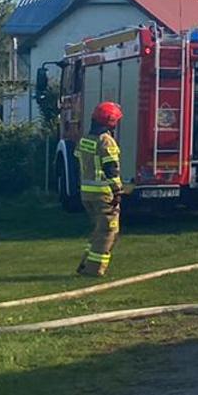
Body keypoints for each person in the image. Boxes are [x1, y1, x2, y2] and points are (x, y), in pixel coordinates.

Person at [75, 101, 126, 277]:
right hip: (104, 194)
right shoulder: (106, 141)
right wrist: (118, 191)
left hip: (87, 194)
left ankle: (85, 264)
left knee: (98, 229)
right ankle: (94, 270)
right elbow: (111, 169)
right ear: (110, 122)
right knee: (108, 231)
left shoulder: (85, 140)